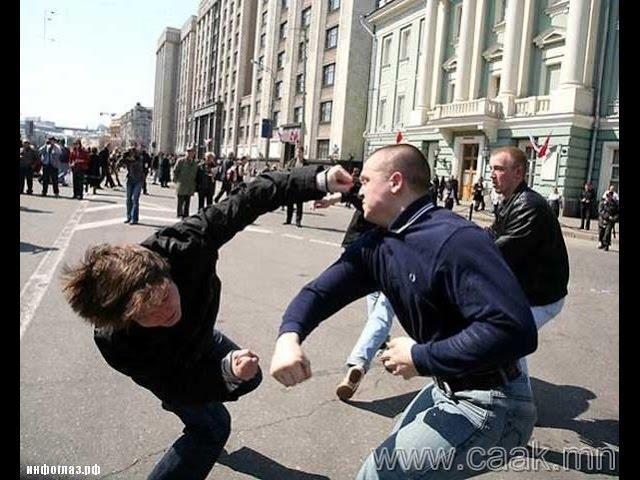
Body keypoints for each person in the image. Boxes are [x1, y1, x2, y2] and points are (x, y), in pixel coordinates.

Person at [61, 164, 352, 480]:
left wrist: (318, 180)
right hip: (172, 365)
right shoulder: (116, 342)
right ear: (125, 319)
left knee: (251, 378)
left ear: (164, 270)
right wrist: (225, 372)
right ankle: (200, 434)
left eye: (165, 296)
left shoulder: (186, 245)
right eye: (149, 314)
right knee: (214, 427)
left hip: (201, 335)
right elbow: (178, 387)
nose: (166, 313)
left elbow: (248, 198)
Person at [270, 144, 538, 479]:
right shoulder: (379, 244)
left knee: (378, 474)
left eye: (366, 180)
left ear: (395, 182)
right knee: (398, 447)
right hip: (447, 390)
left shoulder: (455, 239)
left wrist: (420, 356)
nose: (359, 188)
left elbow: (515, 331)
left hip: (492, 404)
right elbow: (320, 293)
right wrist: (289, 337)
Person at [487, 146, 569, 376]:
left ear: (519, 173)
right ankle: (518, 402)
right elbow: (491, 234)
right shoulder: (511, 201)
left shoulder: (528, 205)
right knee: (509, 350)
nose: (492, 174)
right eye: (491, 168)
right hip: (525, 294)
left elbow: (498, 252)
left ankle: (519, 406)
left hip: (540, 298)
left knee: (506, 345)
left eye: (499, 169)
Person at [314, 181, 394, 400]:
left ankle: (370, 351)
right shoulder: (403, 198)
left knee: (376, 299)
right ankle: (364, 355)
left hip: (361, 247)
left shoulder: (380, 189)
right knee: (383, 307)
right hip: (386, 253)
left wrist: (332, 199)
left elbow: (355, 193)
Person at [120, 148, 145, 225]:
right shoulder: (127, 159)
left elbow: (135, 163)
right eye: (130, 153)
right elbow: (120, 163)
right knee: (128, 199)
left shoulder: (139, 159)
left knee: (135, 199)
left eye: (133, 153)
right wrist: (123, 157)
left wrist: (128, 159)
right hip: (130, 180)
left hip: (139, 180)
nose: (131, 154)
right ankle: (129, 217)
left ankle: (134, 218)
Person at [173, 145, 199, 218]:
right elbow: (175, 171)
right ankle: (179, 213)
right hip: (181, 183)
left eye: (192, 152)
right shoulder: (181, 161)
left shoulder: (195, 163)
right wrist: (175, 180)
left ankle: (185, 214)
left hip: (190, 184)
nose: (190, 153)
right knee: (180, 200)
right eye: (188, 151)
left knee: (187, 201)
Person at [284, 154, 306, 227]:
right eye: (297, 152)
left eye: (300, 152)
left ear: (302, 153)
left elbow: (308, 173)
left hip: (300, 186)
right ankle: (288, 220)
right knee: (290, 204)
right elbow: (286, 169)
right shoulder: (292, 161)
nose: (298, 154)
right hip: (292, 185)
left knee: (299, 205)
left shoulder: (305, 163)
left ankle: (298, 221)